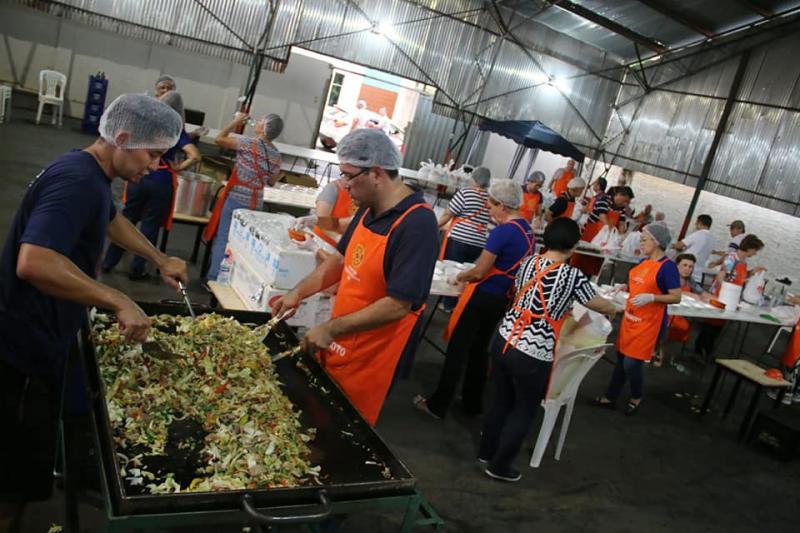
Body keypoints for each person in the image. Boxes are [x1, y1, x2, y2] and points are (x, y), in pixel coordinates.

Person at [0, 94, 189, 531]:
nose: (157, 166)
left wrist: (159, 259)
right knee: (10, 479)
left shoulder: (90, 171)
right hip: (21, 349)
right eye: (153, 154)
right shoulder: (77, 182)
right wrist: (117, 298)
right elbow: (34, 261)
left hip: (44, 335)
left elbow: (108, 218)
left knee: (23, 470)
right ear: (122, 138)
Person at [270, 129, 439, 426]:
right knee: (316, 419)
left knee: (343, 427)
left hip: (369, 355)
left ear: (376, 173)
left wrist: (332, 329)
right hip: (338, 339)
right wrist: (298, 292)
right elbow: (338, 260)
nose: (344, 185)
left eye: (349, 176)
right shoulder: (369, 209)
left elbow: (399, 304)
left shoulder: (417, 224)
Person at [476, 218, 617, 482]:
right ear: (574, 246)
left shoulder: (529, 261)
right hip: (533, 351)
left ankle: (486, 452)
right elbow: (598, 304)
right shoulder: (573, 275)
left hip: (504, 338)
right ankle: (500, 466)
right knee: (524, 408)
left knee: (501, 400)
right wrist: (613, 307)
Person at [413, 180, 534, 420]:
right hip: (502, 297)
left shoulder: (502, 232)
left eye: (491, 207)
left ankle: (438, 404)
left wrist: (459, 276)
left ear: (502, 205)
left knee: (459, 348)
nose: (489, 211)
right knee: (479, 348)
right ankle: (472, 402)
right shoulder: (527, 231)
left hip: (483, 295)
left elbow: (479, 271)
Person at [102, 91, 202, 280]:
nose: (153, 162)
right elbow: (195, 155)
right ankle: (137, 269)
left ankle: (108, 262)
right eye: (152, 155)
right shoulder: (176, 129)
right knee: (150, 225)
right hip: (162, 181)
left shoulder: (147, 124)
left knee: (127, 218)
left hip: (139, 182)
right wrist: (178, 167)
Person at [593, 224, 682, 415]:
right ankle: (611, 395)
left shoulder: (668, 268)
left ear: (657, 242)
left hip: (648, 323)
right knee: (621, 359)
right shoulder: (644, 261)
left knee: (632, 363)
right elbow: (641, 282)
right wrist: (625, 286)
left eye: (644, 239)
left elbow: (676, 296)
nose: (641, 243)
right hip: (631, 318)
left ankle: (636, 395)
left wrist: (653, 298)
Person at [203, 112, 284, 281]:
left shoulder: (247, 143)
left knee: (224, 238)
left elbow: (219, 139)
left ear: (264, 129)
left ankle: (214, 277)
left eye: (261, 120)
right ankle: (234, 279)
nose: (258, 122)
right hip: (256, 202)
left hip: (236, 197)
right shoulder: (276, 155)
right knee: (243, 243)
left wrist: (236, 121)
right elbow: (271, 181)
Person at [694, 234, 765, 358]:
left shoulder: (743, 261)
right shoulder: (731, 258)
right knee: (711, 324)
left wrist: (752, 272)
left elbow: (739, 277)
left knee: (717, 326)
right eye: (755, 250)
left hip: (730, 297)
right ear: (749, 248)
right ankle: (699, 350)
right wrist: (729, 291)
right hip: (720, 295)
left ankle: (706, 350)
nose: (755, 253)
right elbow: (721, 277)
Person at [437, 166, 492, 311]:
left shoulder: (465, 193)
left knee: (452, 270)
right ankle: (456, 303)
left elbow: (448, 214)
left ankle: (448, 304)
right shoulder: (490, 198)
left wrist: (434, 226)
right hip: (478, 243)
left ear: (474, 179)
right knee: (465, 273)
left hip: (459, 239)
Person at [571, 186, 633, 276]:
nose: (625, 204)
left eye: (627, 202)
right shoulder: (603, 200)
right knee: (579, 264)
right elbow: (602, 217)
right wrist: (610, 230)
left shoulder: (622, 208)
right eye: (625, 201)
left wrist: (622, 233)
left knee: (592, 268)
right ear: (618, 195)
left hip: (604, 241)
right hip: (590, 236)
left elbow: (621, 223)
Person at [654, 253, 703, 367]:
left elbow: (702, 292)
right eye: (684, 265)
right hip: (663, 310)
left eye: (690, 267)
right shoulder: (669, 276)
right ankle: (659, 350)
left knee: (683, 327)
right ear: (676, 265)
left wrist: (713, 299)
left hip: (680, 312)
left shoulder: (690, 281)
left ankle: (661, 348)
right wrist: (687, 293)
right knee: (668, 325)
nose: (687, 269)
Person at [309, 178, 358, 248]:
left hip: (348, 244)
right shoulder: (333, 188)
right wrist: (337, 237)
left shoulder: (366, 193)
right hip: (324, 242)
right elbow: (321, 219)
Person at [672, 214, 714, 284]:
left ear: (700, 223)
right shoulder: (712, 238)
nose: (695, 224)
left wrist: (672, 245)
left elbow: (679, 245)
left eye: (696, 222)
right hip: (698, 275)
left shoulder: (699, 234)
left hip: (686, 273)